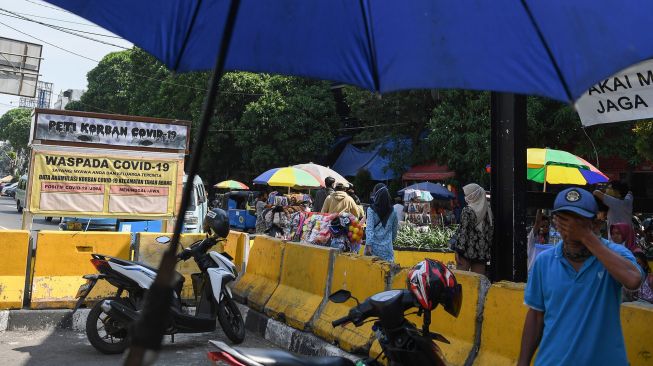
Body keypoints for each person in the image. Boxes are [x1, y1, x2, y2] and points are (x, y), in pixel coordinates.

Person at [518, 188, 643, 366]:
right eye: (565, 220)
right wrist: (522, 363)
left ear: (594, 224)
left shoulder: (614, 253)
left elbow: (633, 280)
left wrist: (586, 237)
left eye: (579, 221)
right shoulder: (544, 262)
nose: (571, 228)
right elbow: (536, 316)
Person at [450, 183, 493, 275]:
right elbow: (490, 233)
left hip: (466, 251)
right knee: (478, 283)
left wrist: (458, 251)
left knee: (462, 281)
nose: (466, 197)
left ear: (473, 195)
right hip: (481, 253)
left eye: (467, 194)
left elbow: (463, 232)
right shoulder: (488, 211)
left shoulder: (467, 210)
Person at [364, 183, 399, 262]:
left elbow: (369, 229)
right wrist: (389, 241)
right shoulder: (393, 212)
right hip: (387, 251)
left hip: (373, 250)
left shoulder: (371, 210)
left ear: (376, 195)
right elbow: (394, 231)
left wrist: (368, 245)